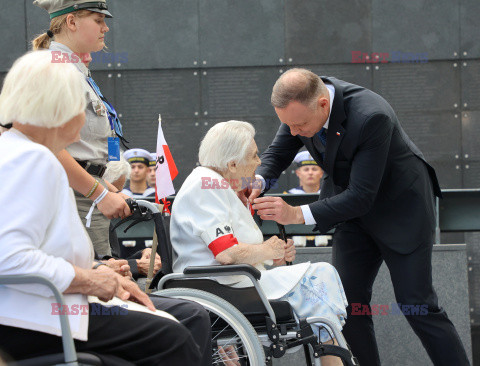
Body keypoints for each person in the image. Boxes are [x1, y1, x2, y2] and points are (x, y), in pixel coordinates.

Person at [246, 68, 469, 365]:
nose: (294, 132)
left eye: (299, 125)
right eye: (288, 125)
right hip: (350, 210)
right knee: (346, 304)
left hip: (400, 209)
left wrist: (296, 214)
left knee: (416, 303)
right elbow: (277, 153)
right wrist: (259, 181)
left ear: (323, 105)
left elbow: (363, 195)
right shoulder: (299, 109)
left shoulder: (371, 116)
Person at [0, 50, 203, 366]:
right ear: (61, 108)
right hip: (35, 317)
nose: (83, 124)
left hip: (29, 311)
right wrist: (90, 280)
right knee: (171, 338)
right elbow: (9, 259)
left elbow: (32, 249)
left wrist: (97, 270)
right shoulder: (32, 158)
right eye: (81, 109)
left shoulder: (17, 152)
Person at [171, 121, 348, 366]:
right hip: (220, 286)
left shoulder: (219, 185)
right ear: (232, 164)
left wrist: (271, 256)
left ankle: (333, 354)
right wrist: (268, 249)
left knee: (320, 280)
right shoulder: (206, 185)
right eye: (254, 155)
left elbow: (231, 250)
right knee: (320, 275)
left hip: (232, 281)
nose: (258, 162)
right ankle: (335, 356)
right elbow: (226, 253)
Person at [32, 0, 131, 257]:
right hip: (73, 196)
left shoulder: (73, 70)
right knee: (97, 285)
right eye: (98, 20)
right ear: (72, 22)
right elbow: (46, 143)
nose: (105, 28)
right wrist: (98, 193)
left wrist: (103, 187)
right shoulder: (56, 69)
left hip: (86, 192)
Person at [287, 151, 328, 247]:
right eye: (306, 169)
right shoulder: (289, 197)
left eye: (314, 169)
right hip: (295, 242)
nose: (310, 173)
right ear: (298, 173)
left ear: (321, 173)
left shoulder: (329, 196)